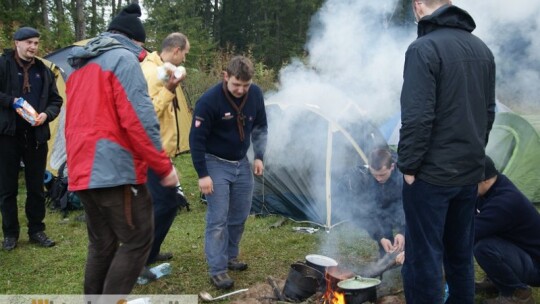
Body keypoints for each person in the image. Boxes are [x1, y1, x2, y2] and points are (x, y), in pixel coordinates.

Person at [64, 3, 178, 296]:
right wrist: (163, 168)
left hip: (82, 170)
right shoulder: (124, 60)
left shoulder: (81, 66)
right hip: (114, 171)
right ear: (135, 40)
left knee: (102, 244)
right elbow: (139, 120)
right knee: (139, 238)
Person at [397, 1, 496, 303]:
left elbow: (417, 117)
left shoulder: (422, 49)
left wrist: (410, 168)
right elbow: (488, 113)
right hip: (468, 175)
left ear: (418, 5)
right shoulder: (483, 50)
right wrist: (474, 154)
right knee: (460, 256)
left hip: (430, 177)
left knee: (423, 259)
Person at [189, 55, 268, 289]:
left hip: (241, 162)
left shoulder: (255, 94)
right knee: (218, 218)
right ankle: (218, 269)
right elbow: (196, 140)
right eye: (236, 84)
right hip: (214, 162)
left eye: (246, 85)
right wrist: (203, 174)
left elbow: (261, 126)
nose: (241, 90)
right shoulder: (209, 101)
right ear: (226, 76)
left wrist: (260, 156)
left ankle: (230, 256)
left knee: (240, 214)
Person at [0, 26, 63, 251]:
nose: (33, 47)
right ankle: (10, 233)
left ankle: (36, 230)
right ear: (17, 43)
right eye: (29, 43)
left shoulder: (43, 70)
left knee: (36, 186)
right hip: (7, 135)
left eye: (36, 43)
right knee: (7, 188)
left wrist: (47, 114)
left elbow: (56, 101)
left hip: (36, 135)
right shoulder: (3, 64)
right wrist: (11, 102)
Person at [139, 32, 190, 280]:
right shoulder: (152, 73)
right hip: (149, 151)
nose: (185, 58)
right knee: (166, 204)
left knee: (159, 205)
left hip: (159, 151)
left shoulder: (163, 67)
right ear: (177, 50)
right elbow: (147, 112)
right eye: (185, 53)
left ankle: (150, 252)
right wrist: (170, 88)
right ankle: (140, 258)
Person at [474, 156, 540, 304]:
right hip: (522, 252)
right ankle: (496, 281)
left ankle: (519, 294)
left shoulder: (504, 203)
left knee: (484, 247)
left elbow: (469, 233)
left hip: (536, 265)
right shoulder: (493, 186)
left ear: (484, 179)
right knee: (485, 239)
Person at [362, 148, 405, 258]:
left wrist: (402, 232)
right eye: (375, 174)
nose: (378, 179)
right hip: (382, 210)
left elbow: (409, 208)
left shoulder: (404, 176)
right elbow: (370, 213)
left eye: (382, 175)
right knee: (385, 244)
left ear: (392, 167)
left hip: (401, 207)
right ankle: (387, 260)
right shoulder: (367, 179)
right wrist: (380, 237)